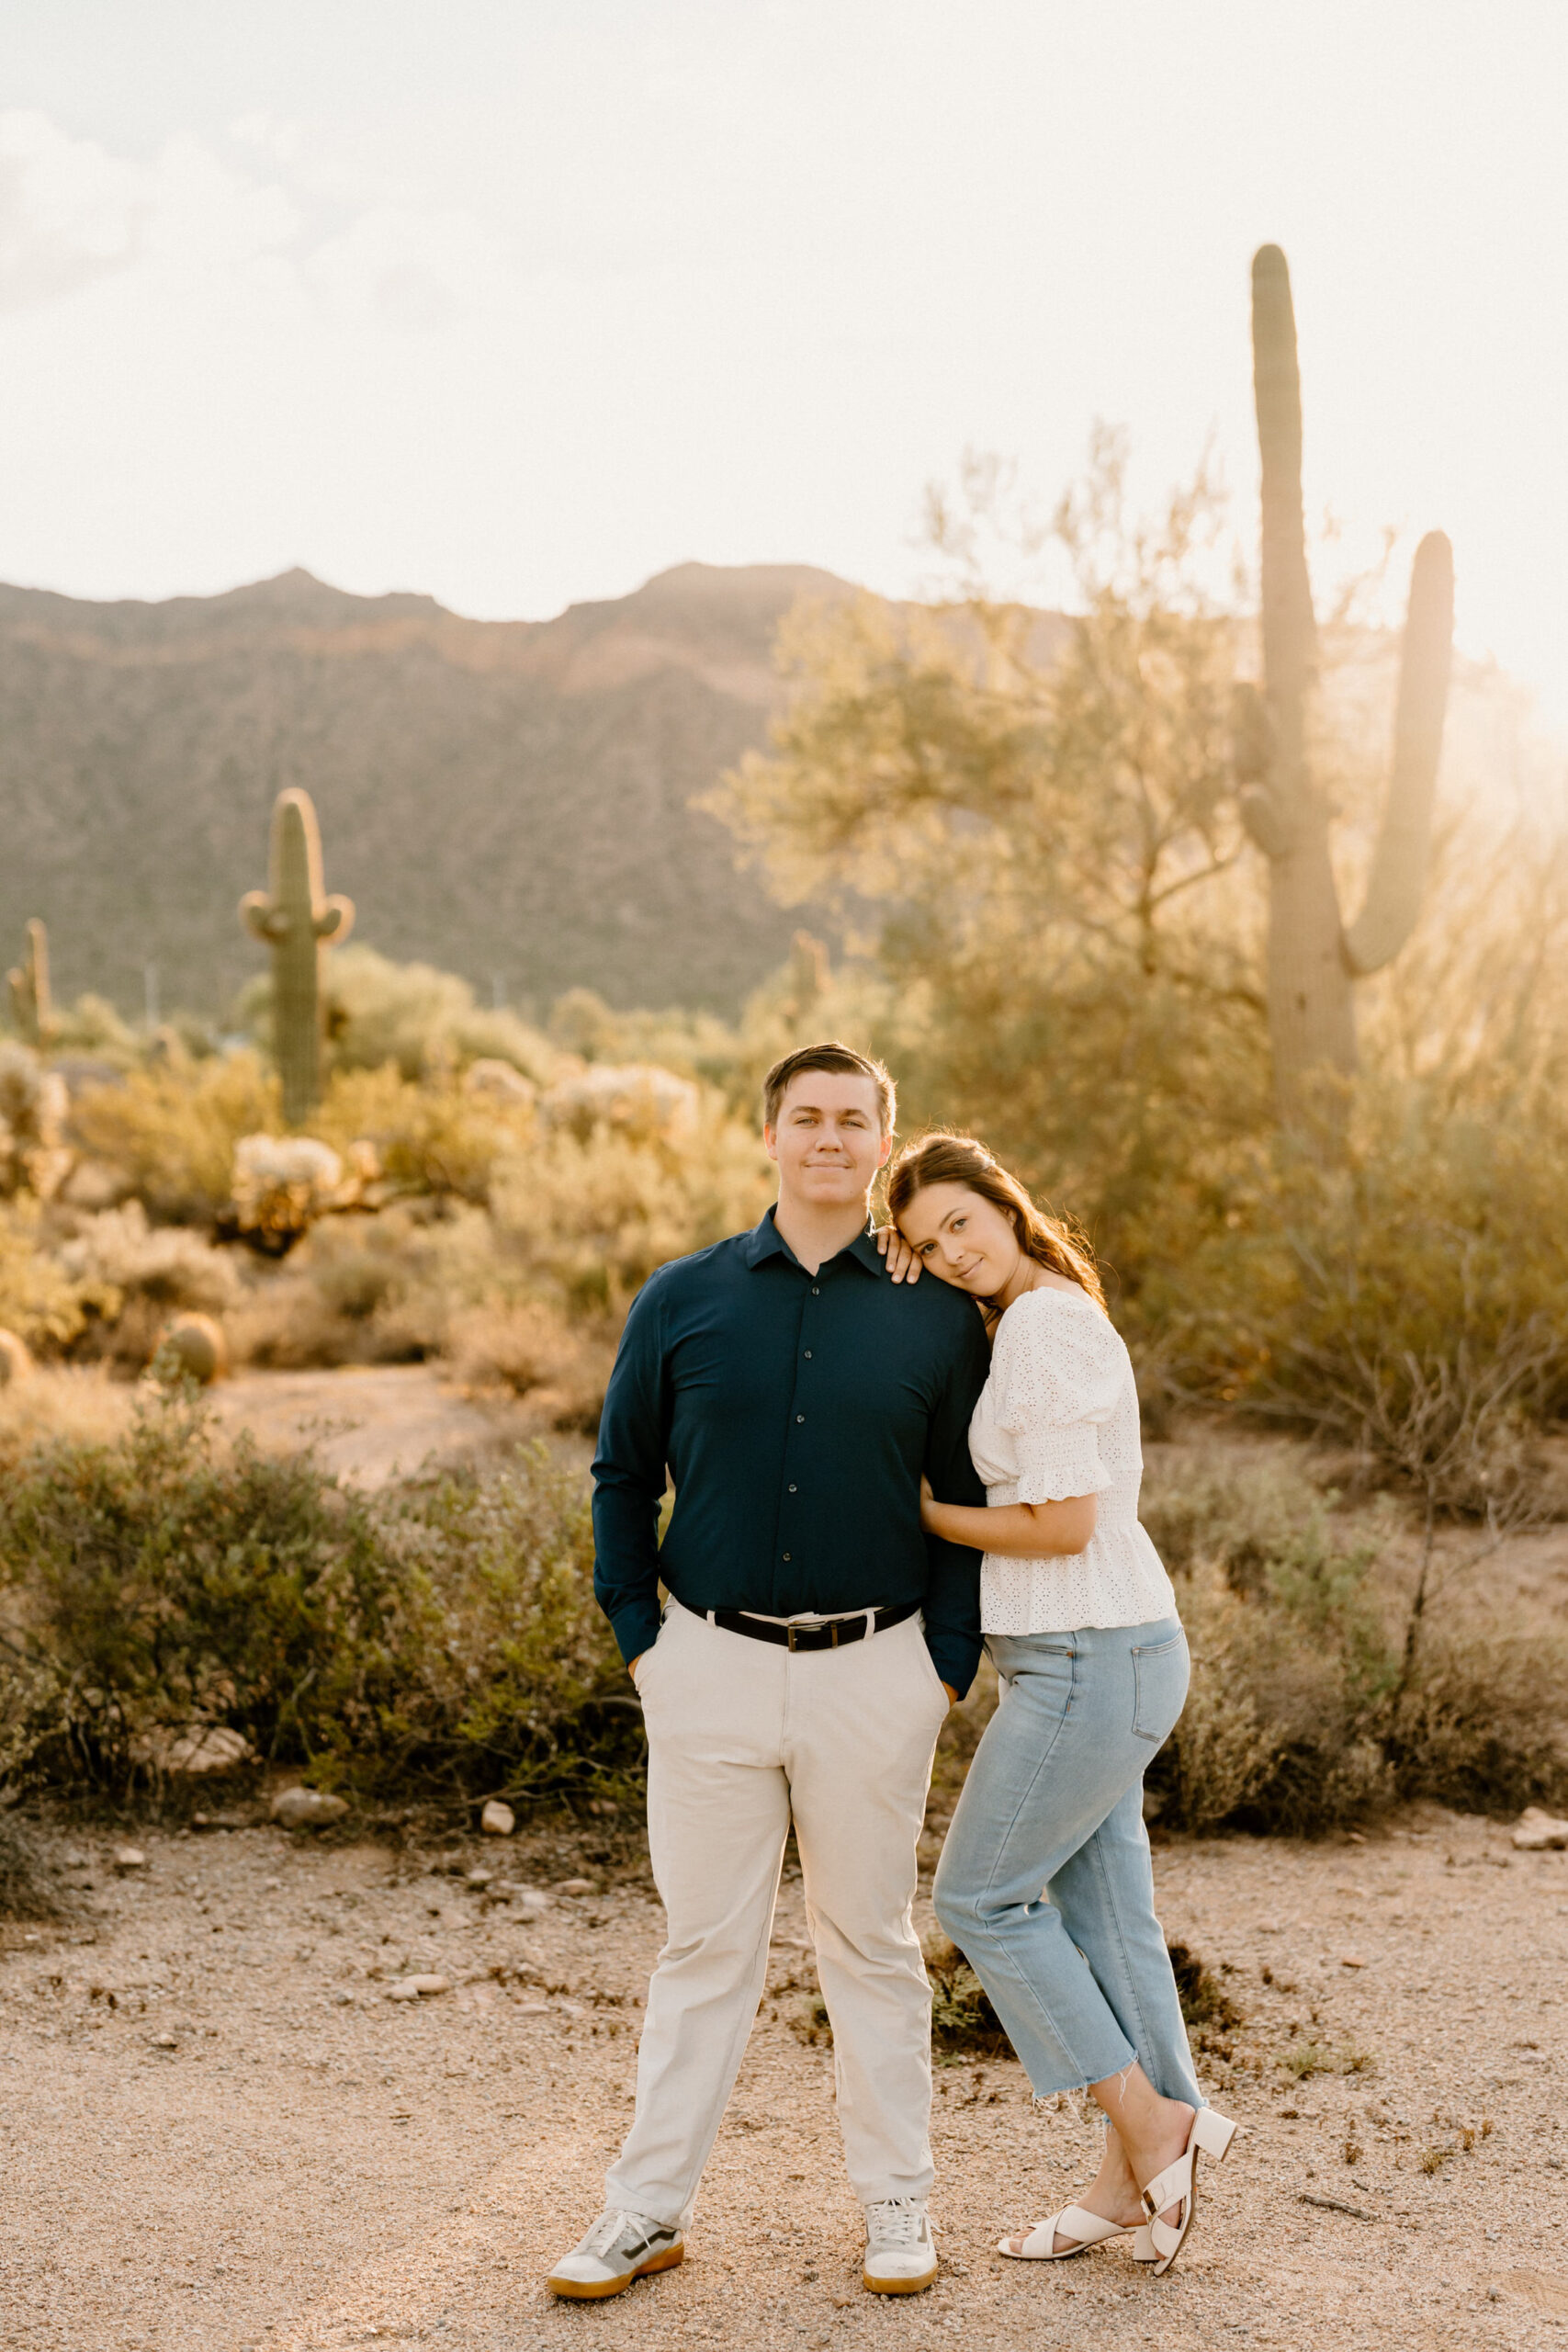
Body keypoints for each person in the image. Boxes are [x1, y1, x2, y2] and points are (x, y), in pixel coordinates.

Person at [546, 1045, 992, 2303]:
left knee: (869, 1945)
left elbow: (965, 1490)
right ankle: (644, 2212)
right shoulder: (681, 1296)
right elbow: (621, 1478)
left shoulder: (932, 1314)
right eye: (807, 1118)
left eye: (854, 1121)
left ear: (881, 1143)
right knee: (703, 1951)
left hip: (877, 1670)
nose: (829, 1140)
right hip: (706, 1668)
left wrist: (939, 1664)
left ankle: (897, 2204)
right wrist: (644, 1640)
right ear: (769, 1137)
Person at [883, 1131, 1235, 2278]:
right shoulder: (1029, 1316)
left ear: (1005, 1202)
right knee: (1110, 1920)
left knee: (980, 1898)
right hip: (1093, 1654)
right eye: (927, 1245)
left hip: (1092, 1655)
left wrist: (925, 1514)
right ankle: (1131, 2183)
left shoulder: (1041, 1326)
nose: (951, 1254)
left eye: (962, 1225)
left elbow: (1065, 1526)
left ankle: (1153, 2126)